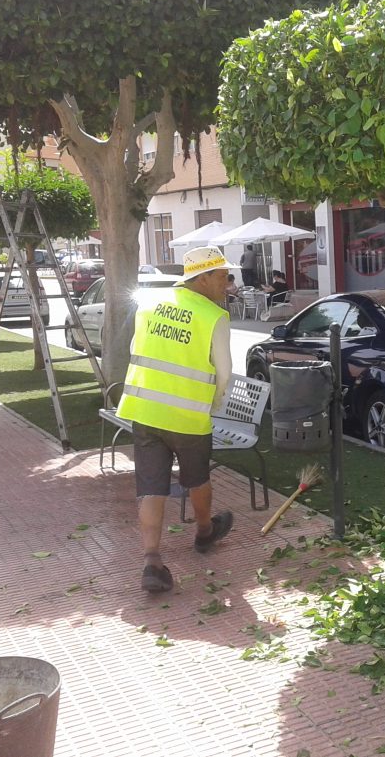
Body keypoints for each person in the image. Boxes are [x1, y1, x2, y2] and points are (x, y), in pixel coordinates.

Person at [116, 245, 237, 593]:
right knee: (197, 478)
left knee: (151, 486)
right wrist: (212, 406)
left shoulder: (148, 302)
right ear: (203, 278)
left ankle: (152, 561)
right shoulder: (213, 316)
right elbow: (224, 374)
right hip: (187, 416)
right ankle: (203, 532)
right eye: (222, 276)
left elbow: (136, 349)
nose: (227, 283)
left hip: (145, 411)